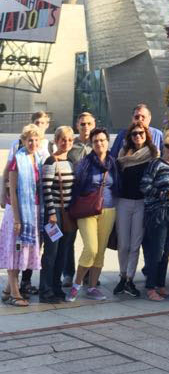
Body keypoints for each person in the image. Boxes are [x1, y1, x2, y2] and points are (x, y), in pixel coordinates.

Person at [66, 127, 119, 301]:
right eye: (96, 141)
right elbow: (76, 187)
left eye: (102, 140)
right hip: (87, 210)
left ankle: (93, 287)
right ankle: (76, 285)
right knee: (91, 248)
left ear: (107, 142)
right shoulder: (84, 163)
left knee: (101, 251)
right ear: (91, 144)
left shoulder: (113, 163)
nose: (99, 143)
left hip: (109, 209)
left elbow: (118, 185)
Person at [140, 127, 169, 301]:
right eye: (168, 146)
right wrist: (163, 194)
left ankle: (160, 285)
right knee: (156, 251)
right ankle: (151, 287)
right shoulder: (156, 164)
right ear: (163, 146)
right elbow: (144, 186)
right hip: (157, 214)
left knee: (166, 252)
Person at [0, 124, 44, 307]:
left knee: (22, 251)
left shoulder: (38, 160)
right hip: (17, 212)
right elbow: (14, 192)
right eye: (29, 140)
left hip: (32, 211)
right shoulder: (17, 160)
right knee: (14, 250)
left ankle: (7, 289)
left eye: (36, 140)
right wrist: (17, 218)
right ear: (23, 141)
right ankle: (15, 293)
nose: (32, 143)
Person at [114, 122, 159, 298]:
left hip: (141, 202)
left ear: (146, 134)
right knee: (123, 244)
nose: (137, 136)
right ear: (130, 137)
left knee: (135, 245)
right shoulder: (123, 154)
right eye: (134, 134)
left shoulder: (152, 153)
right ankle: (122, 276)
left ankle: (130, 279)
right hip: (124, 202)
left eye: (141, 133)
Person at [39, 125, 75, 303]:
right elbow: (45, 188)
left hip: (68, 213)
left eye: (69, 139)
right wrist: (52, 213)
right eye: (63, 139)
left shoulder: (70, 162)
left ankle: (56, 287)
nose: (66, 143)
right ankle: (45, 291)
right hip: (55, 214)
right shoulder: (50, 161)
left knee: (63, 252)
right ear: (56, 141)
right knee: (51, 254)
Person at [63, 111, 96, 286]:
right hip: (72, 200)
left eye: (89, 123)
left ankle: (90, 273)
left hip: (91, 201)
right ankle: (68, 273)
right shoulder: (70, 146)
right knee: (69, 238)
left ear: (94, 124)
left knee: (91, 240)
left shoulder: (98, 144)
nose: (86, 127)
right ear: (77, 125)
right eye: (82, 124)